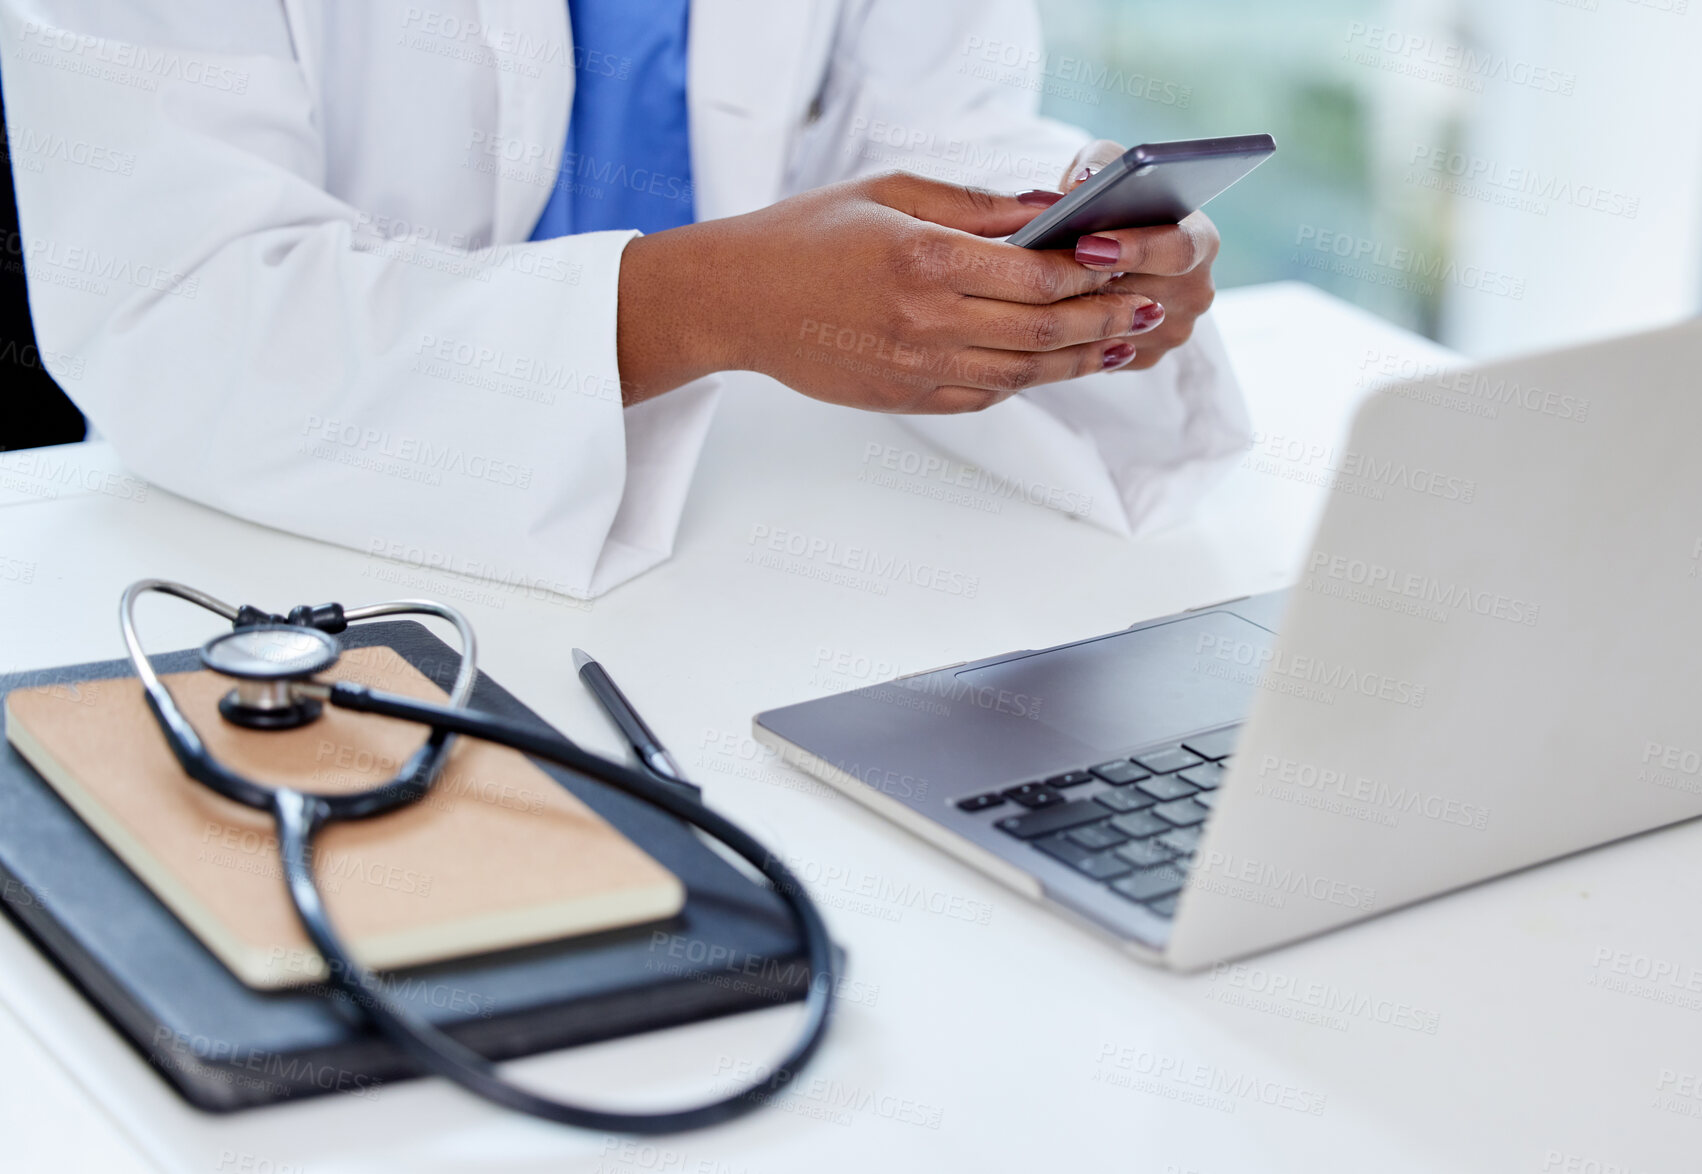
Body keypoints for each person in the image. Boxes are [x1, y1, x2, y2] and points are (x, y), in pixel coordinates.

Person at [0, 0, 1248, 597]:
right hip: (272, 552)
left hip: (749, 549)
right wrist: (700, 305)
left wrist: (1048, 255)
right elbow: (174, 307)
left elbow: (939, 122)